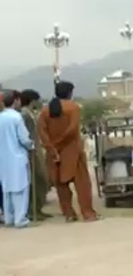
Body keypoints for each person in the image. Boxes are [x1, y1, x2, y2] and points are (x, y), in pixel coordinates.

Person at [38, 81, 99, 223]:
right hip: (72, 151)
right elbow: (72, 130)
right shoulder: (73, 108)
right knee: (83, 184)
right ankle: (88, 213)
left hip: (54, 154)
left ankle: (69, 214)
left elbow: (42, 132)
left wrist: (52, 147)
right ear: (69, 93)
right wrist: (59, 143)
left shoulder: (45, 110)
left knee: (61, 186)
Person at [0, 91, 34, 228]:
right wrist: (31, 145)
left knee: (7, 188)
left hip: (3, 158)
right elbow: (24, 138)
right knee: (20, 188)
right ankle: (20, 219)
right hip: (17, 156)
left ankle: (9, 217)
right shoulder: (16, 117)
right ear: (15, 101)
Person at [18, 89, 51, 221]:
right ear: (32, 100)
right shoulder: (24, 115)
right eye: (37, 99)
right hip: (32, 151)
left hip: (37, 148)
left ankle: (38, 208)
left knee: (42, 180)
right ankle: (33, 210)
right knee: (38, 179)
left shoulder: (30, 113)